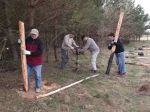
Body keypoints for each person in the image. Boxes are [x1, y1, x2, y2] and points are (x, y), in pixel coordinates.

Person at [22, 28, 44, 92]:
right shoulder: (27, 39)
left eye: (34, 34)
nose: (33, 35)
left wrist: (29, 53)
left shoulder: (40, 41)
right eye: (32, 34)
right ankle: (27, 86)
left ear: (37, 34)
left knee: (38, 75)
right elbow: (22, 45)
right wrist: (19, 42)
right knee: (26, 75)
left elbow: (40, 52)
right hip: (28, 62)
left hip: (37, 62)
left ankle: (38, 87)